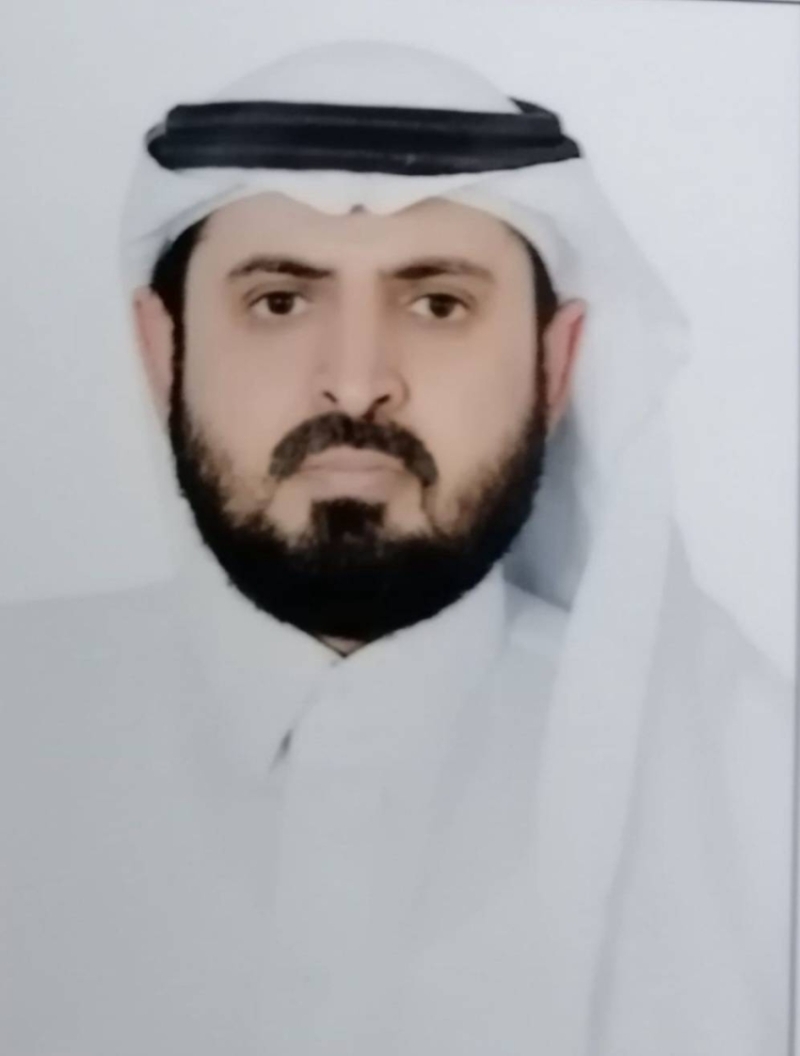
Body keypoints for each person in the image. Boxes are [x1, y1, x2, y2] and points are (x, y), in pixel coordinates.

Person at [0, 40, 793, 1056]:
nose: (356, 379)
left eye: (437, 304)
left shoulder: (752, 791)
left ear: (555, 368)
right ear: (164, 353)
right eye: (279, 301)